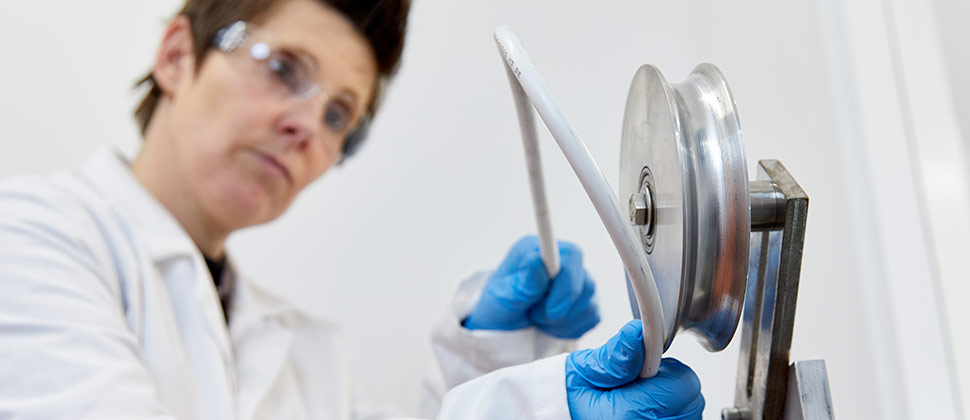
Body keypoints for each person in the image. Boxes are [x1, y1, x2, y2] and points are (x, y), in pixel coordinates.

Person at [0, 0, 704, 419]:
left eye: (341, 115)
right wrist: (529, 407)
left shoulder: (311, 353)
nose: (311, 126)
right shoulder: (33, 237)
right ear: (177, 56)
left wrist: (487, 356)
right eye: (284, 69)